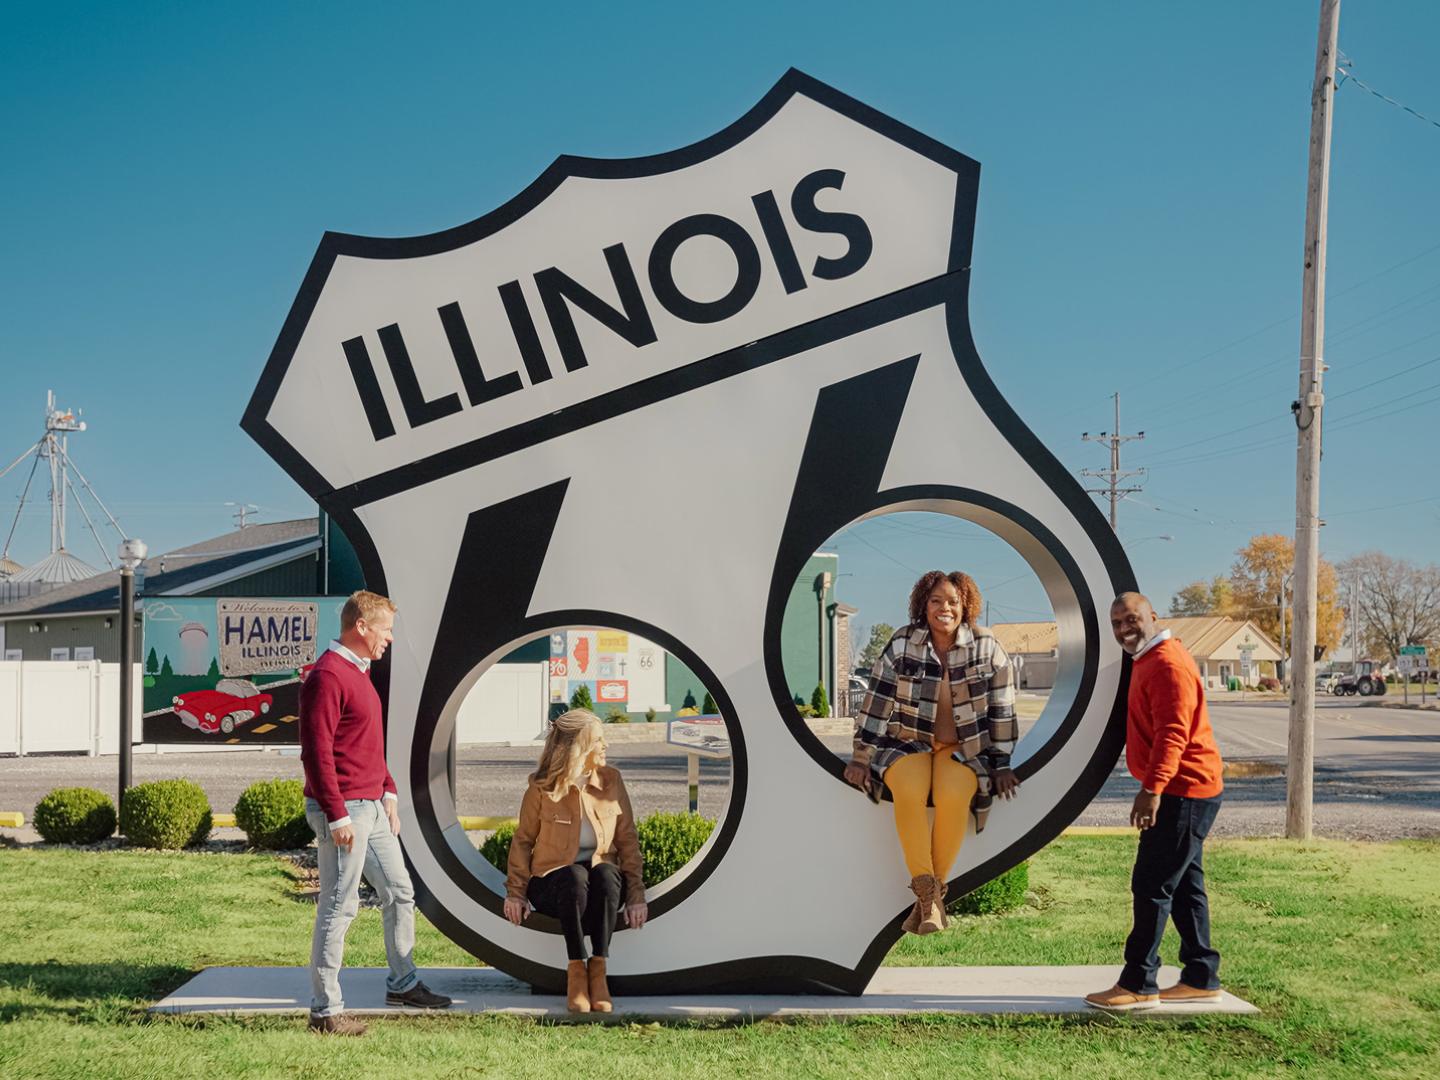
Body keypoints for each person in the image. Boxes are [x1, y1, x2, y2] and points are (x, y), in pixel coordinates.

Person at [299, 590, 451, 1035]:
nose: (389, 638)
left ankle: (403, 983)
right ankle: (325, 1011)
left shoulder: (359, 673)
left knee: (400, 892)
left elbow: (364, 744)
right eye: (385, 629)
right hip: (345, 810)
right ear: (361, 626)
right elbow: (316, 753)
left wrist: (388, 788)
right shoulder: (327, 676)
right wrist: (337, 815)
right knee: (339, 906)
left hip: (370, 805)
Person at [843, 570, 1020, 934]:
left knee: (953, 796)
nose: (945, 609)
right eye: (936, 601)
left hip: (965, 748)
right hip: (907, 741)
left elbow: (1003, 707)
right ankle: (931, 899)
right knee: (908, 791)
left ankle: (927, 901)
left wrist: (1001, 762)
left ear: (965, 605)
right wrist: (861, 756)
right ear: (923, 605)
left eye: (953, 602)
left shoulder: (986, 646)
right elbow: (877, 701)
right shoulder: (903, 642)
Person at [1086, 591, 1225, 1011]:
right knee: (1184, 887)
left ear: (1152, 616)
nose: (1124, 629)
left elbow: (1172, 734)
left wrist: (1152, 790)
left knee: (1151, 885)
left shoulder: (1166, 663)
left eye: (1131, 619)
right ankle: (1201, 975)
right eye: (1117, 623)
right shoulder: (1149, 658)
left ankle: (1139, 983)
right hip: (1190, 789)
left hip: (1182, 791)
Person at [504, 709, 648, 1013]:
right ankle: (576, 971)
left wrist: (636, 895)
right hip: (553, 882)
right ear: (579, 747)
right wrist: (516, 893)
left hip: (598, 883)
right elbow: (523, 840)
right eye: (598, 740)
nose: (605, 745)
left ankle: (598, 969)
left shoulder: (612, 780)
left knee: (605, 872)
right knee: (574, 876)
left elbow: (627, 841)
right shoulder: (542, 786)